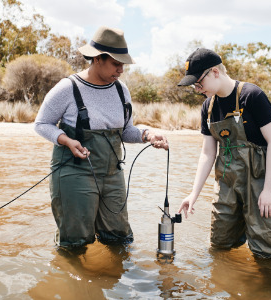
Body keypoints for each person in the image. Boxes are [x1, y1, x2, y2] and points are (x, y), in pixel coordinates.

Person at [34, 26, 169, 249]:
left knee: (119, 237)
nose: (121, 70)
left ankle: (120, 282)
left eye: (123, 64)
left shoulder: (121, 90)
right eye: (116, 63)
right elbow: (41, 124)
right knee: (75, 241)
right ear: (97, 59)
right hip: (74, 171)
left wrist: (148, 134)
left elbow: (126, 130)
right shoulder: (68, 88)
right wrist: (65, 140)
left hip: (112, 174)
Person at [176, 48, 271, 259]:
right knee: (220, 245)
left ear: (215, 72)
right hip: (228, 183)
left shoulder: (251, 95)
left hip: (262, 180)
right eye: (194, 85)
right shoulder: (207, 108)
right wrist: (194, 193)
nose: (197, 89)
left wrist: (268, 190)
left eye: (199, 83)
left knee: (267, 251)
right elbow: (208, 153)